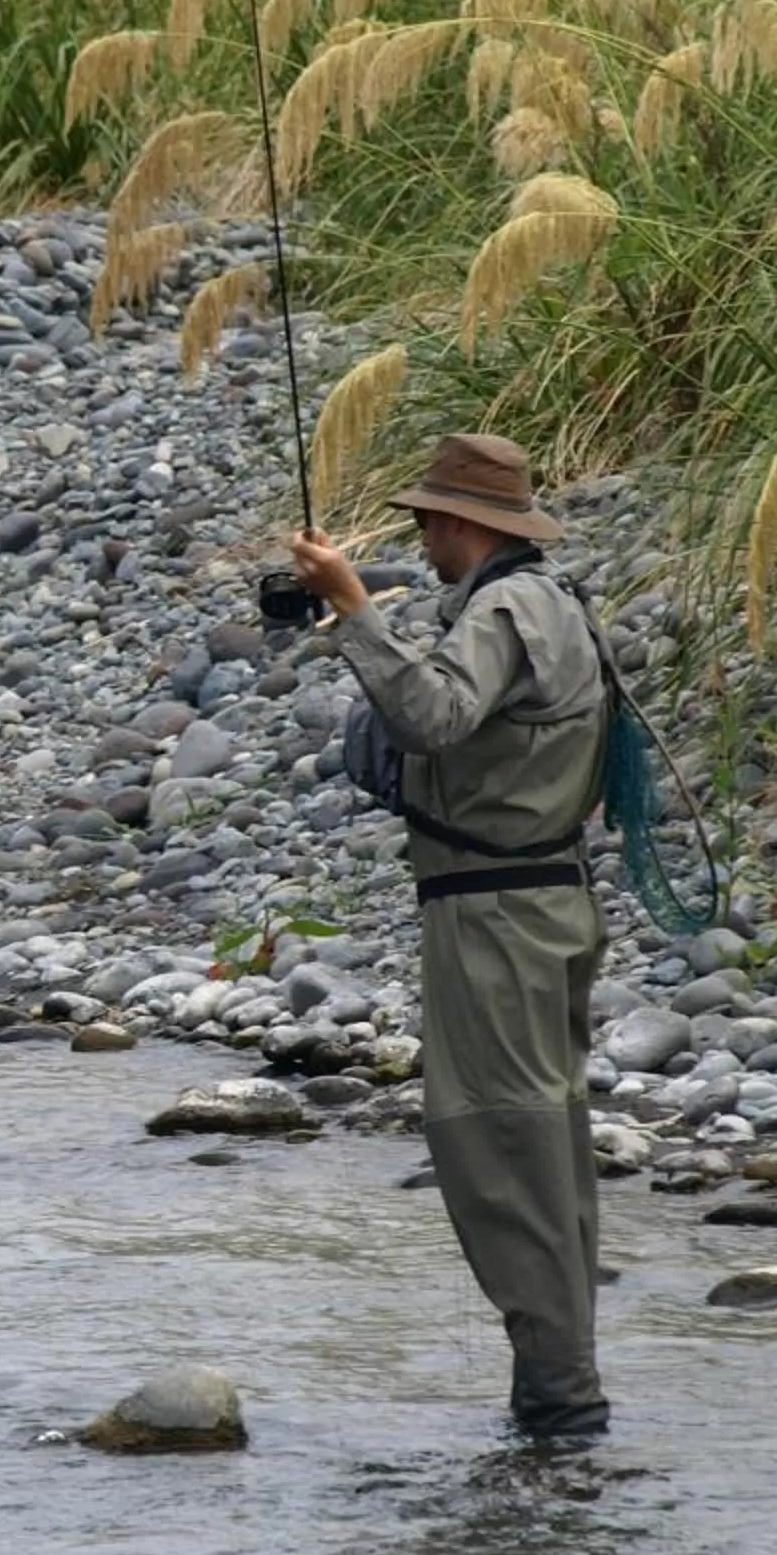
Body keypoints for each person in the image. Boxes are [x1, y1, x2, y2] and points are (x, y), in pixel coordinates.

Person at [290, 432, 613, 1440]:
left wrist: (354, 606)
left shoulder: (508, 610)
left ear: (467, 524)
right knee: (546, 1146)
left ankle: (564, 1411)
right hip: (541, 906)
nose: (421, 535)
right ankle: (554, 1406)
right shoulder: (552, 604)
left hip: (498, 918)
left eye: (428, 520)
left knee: (497, 1142)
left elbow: (434, 715)